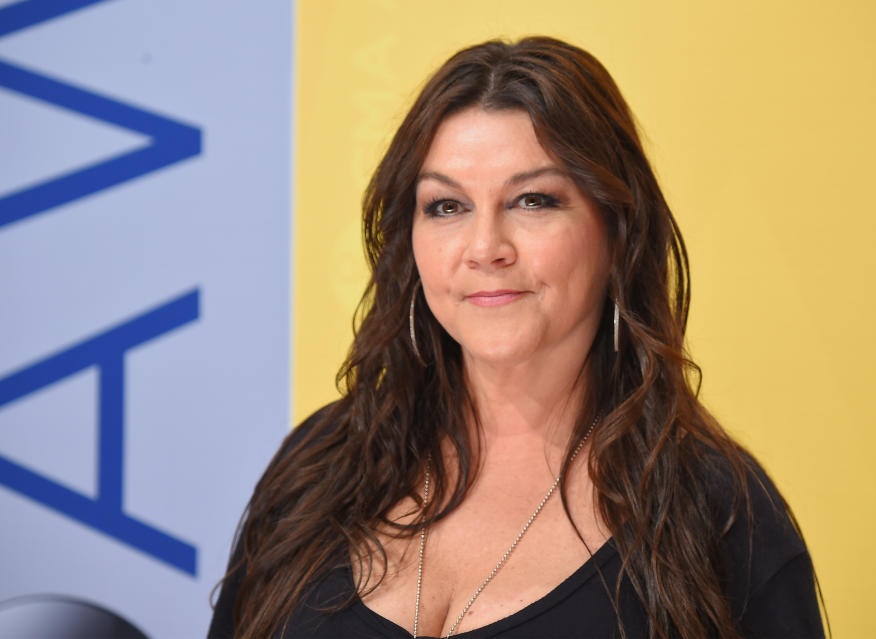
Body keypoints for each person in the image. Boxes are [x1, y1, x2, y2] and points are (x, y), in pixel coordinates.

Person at [209, 37, 825, 639]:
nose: (485, 249)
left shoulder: (720, 516)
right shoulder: (319, 463)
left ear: (617, 232)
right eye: (446, 206)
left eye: (533, 200)